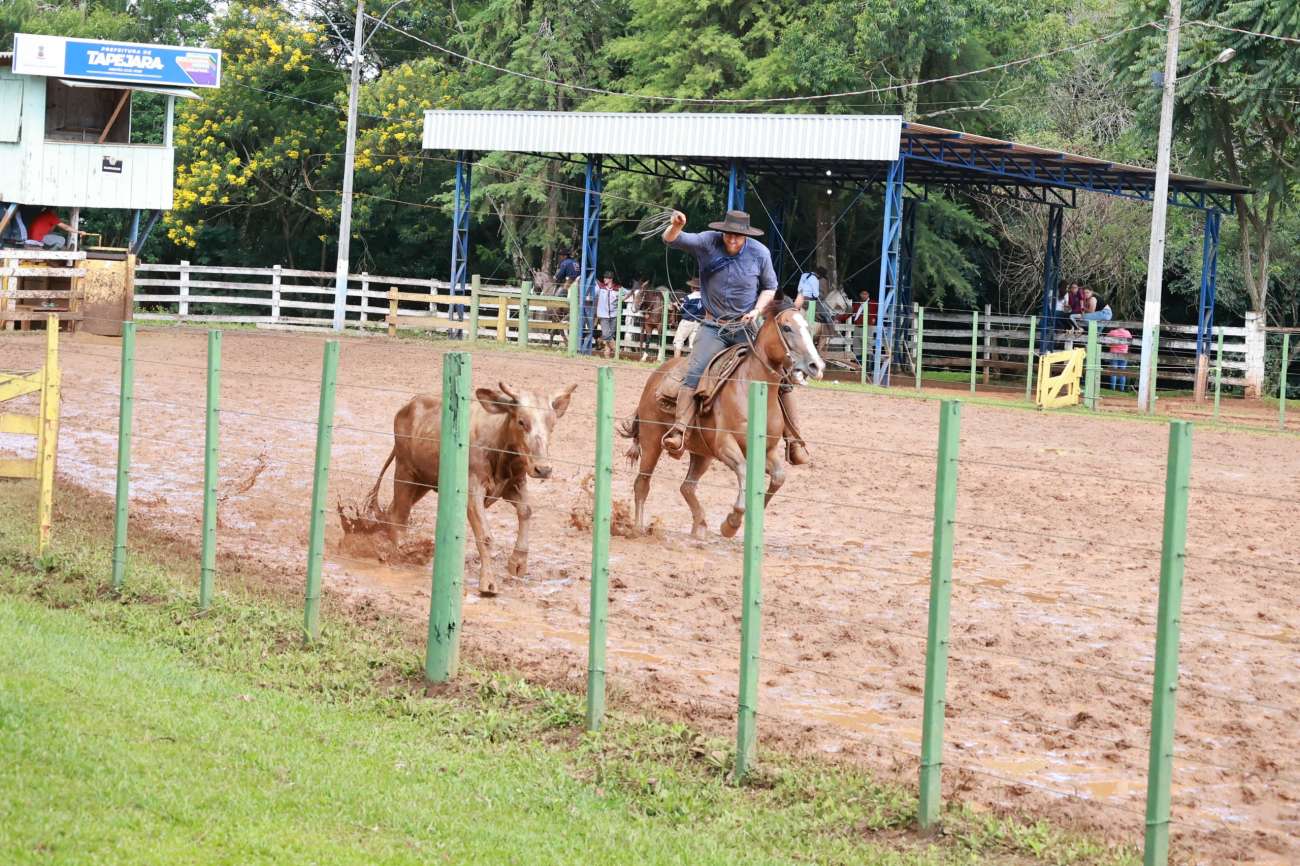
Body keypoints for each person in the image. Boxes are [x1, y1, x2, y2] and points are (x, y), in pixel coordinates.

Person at [661, 208, 809, 465]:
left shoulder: (759, 253)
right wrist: (675, 225)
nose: (732, 240)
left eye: (738, 237)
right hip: (713, 326)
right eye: (729, 235)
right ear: (723, 232)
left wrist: (756, 310)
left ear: (746, 237)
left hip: (745, 325)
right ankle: (679, 430)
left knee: (781, 375)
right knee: (696, 369)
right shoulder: (707, 242)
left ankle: (795, 441)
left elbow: (770, 287)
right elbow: (672, 239)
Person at [594, 271, 625, 357]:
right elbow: (593, 292)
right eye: (604, 278)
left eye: (606, 278)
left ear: (611, 279)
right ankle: (617, 350)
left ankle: (606, 354)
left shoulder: (618, 288)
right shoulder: (600, 288)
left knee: (610, 335)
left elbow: (627, 294)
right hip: (603, 315)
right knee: (606, 334)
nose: (604, 279)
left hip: (614, 315)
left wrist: (622, 298)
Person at [673, 277, 704, 357]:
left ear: (692, 288)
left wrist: (676, 305)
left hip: (687, 322)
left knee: (678, 343)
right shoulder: (704, 298)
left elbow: (682, 310)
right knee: (693, 346)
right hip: (698, 323)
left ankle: (676, 363)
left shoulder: (689, 297)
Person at [1105, 326, 1133, 391]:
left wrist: (1110, 345)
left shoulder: (1113, 332)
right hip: (1124, 354)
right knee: (1122, 372)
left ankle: (1113, 389)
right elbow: (1130, 343)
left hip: (1114, 353)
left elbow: (1105, 340)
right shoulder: (1127, 332)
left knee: (1113, 372)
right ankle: (1122, 389)